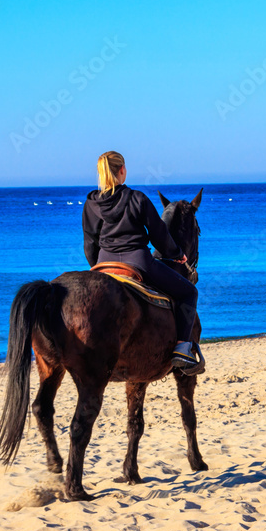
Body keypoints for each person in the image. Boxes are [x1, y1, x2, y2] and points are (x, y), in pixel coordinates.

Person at [82, 151, 199, 368]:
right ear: (122, 170)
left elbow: (90, 243)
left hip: (104, 263)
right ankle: (182, 348)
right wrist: (177, 254)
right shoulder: (137, 198)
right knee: (189, 292)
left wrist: (98, 268)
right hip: (138, 262)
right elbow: (159, 236)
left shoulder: (91, 204)